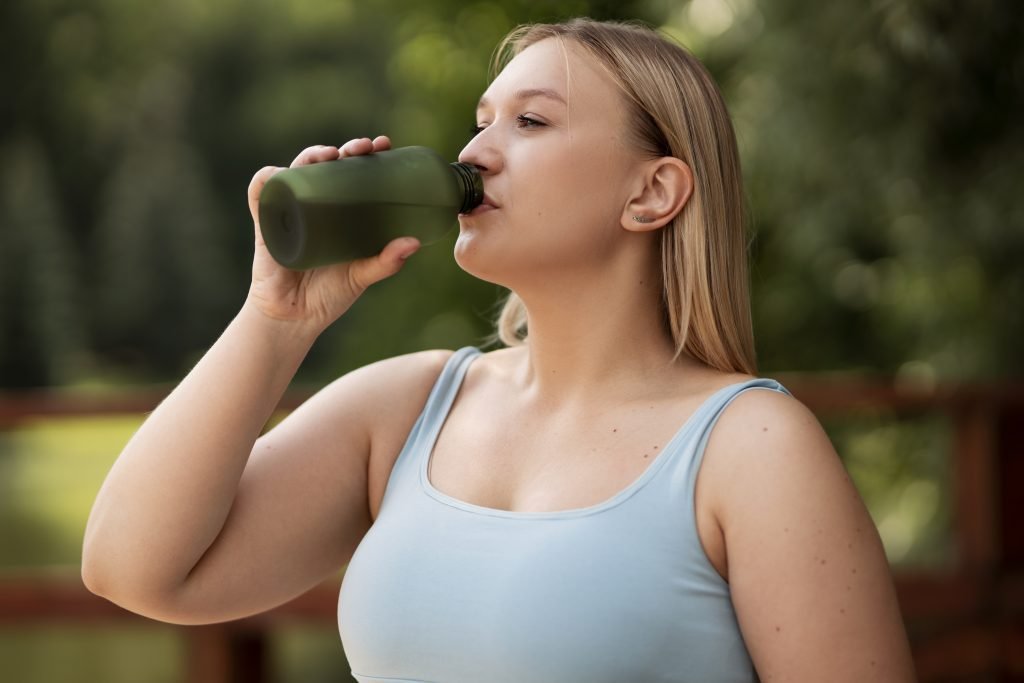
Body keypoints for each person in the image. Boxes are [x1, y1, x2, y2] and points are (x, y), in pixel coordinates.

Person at [82, 17, 917, 683]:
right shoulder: (405, 409)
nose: (474, 155)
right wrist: (276, 318)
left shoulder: (752, 449)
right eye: (480, 123)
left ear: (651, 191)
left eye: (530, 121)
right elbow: (133, 567)